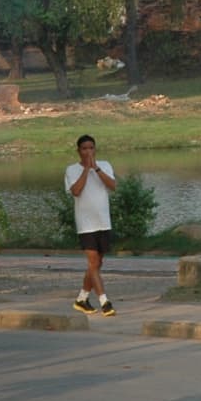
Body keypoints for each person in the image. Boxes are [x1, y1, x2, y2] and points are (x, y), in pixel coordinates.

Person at [65, 134, 117, 316]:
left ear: (95, 149)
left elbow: (113, 186)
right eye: (84, 149)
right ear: (78, 151)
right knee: (93, 261)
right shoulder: (71, 170)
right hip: (86, 224)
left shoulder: (105, 165)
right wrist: (86, 170)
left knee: (98, 263)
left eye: (91, 148)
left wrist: (97, 169)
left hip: (103, 221)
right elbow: (76, 191)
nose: (88, 152)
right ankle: (105, 302)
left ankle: (81, 299)